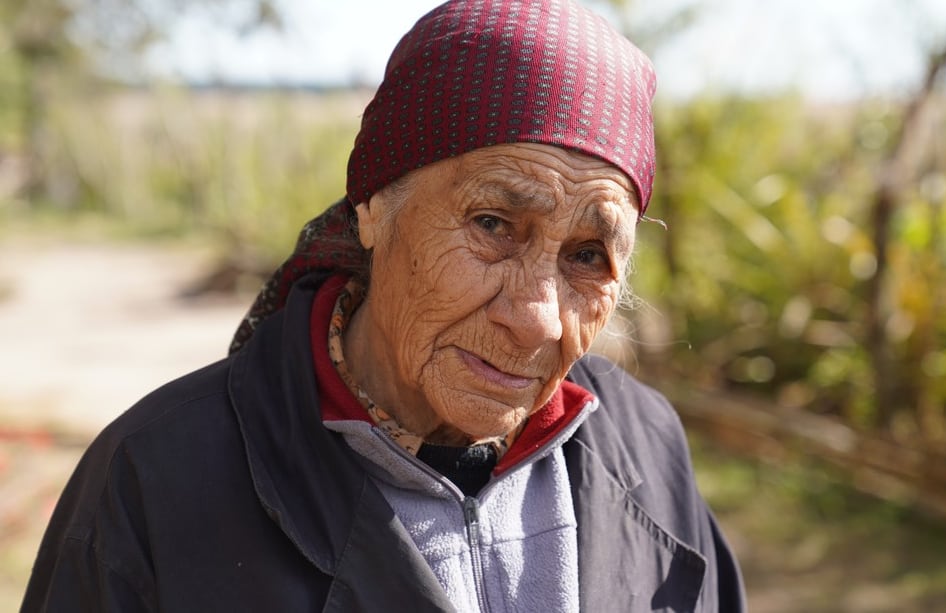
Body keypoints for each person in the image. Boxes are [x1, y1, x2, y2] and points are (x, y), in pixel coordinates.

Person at [22, 0, 745, 611]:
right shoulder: (156, 477)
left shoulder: (645, 447)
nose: (538, 318)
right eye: (492, 224)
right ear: (373, 207)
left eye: (587, 256)